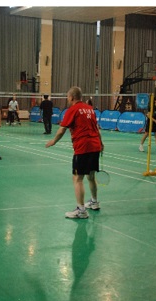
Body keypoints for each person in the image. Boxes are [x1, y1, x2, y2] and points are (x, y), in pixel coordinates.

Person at [45, 86, 105, 219]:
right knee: (91, 176)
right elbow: (97, 128)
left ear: (72, 97)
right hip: (95, 145)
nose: (67, 99)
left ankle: (81, 210)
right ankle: (94, 202)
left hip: (83, 147)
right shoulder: (90, 109)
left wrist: (54, 141)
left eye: (68, 97)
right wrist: (101, 143)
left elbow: (62, 129)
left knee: (78, 178)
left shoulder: (72, 110)